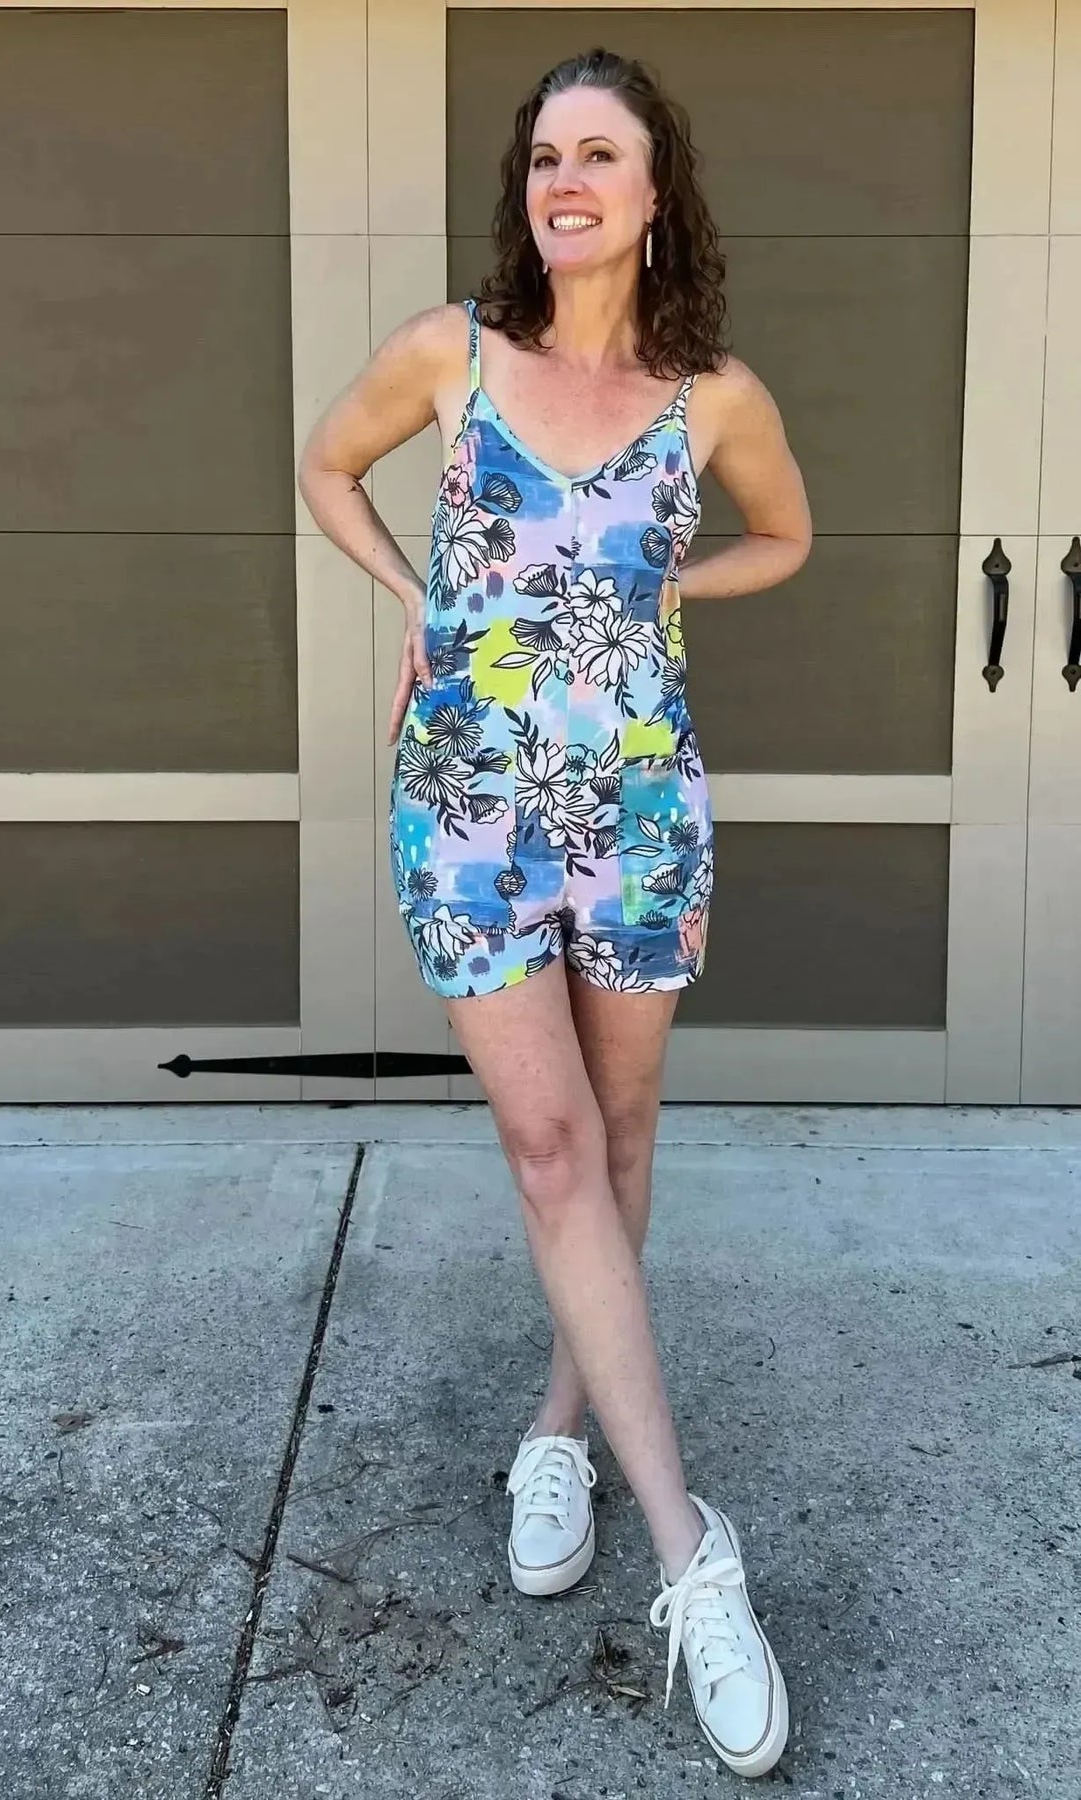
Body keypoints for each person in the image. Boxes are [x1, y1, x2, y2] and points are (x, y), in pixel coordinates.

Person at [299, 46, 811, 1780]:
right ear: (523, 193)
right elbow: (324, 467)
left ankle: (557, 1424)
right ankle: (694, 1556)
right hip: (466, 806)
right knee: (546, 1146)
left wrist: (673, 579)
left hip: (640, 809)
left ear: (659, 191)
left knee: (625, 1124)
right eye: (542, 156)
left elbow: (789, 541)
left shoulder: (716, 395)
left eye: (602, 152)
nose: (566, 179)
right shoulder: (456, 353)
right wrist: (420, 610)